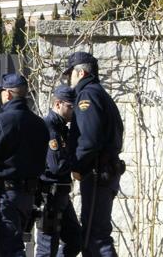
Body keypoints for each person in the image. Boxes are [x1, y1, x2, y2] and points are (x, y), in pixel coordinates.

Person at [0, 73, 49, 257]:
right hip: (29, 195)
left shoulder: (2, 121)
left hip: (7, 194)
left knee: (11, 249)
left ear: (7, 94)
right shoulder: (40, 124)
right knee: (14, 245)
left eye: (1, 91)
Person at [63, 52, 124, 257]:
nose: (68, 78)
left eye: (70, 73)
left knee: (95, 239)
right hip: (103, 171)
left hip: (97, 173)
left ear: (80, 72)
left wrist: (76, 166)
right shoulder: (100, 93)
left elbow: (89, 140)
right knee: (93, 238)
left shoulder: (87, 95)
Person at [35, 84, 82, 257]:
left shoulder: (62, 128)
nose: (73, 111)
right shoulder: (51, 127)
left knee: (76, 239)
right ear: (57, 104)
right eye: (70, 107)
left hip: (61, 196)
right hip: (50, 197)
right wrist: (76, 161)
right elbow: (57, 166)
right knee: (47, 249)